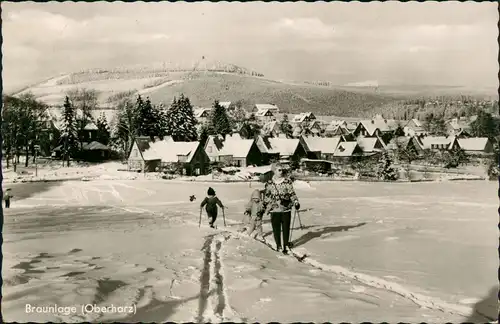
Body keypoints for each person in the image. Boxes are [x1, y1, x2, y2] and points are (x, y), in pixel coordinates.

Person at [261, 162, 300, 254]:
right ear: (274, 171)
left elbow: (292, 193)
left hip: (286, 208)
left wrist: (296, 201)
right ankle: (278, 245)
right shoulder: (269, 183)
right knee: (276, 229)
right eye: (279, 170)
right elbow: (267, 196)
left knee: (286, 228)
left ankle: (286, 245)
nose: (281, 171)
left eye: (282, 169)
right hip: (274, 210)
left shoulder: (287, 181)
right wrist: (263, 206)